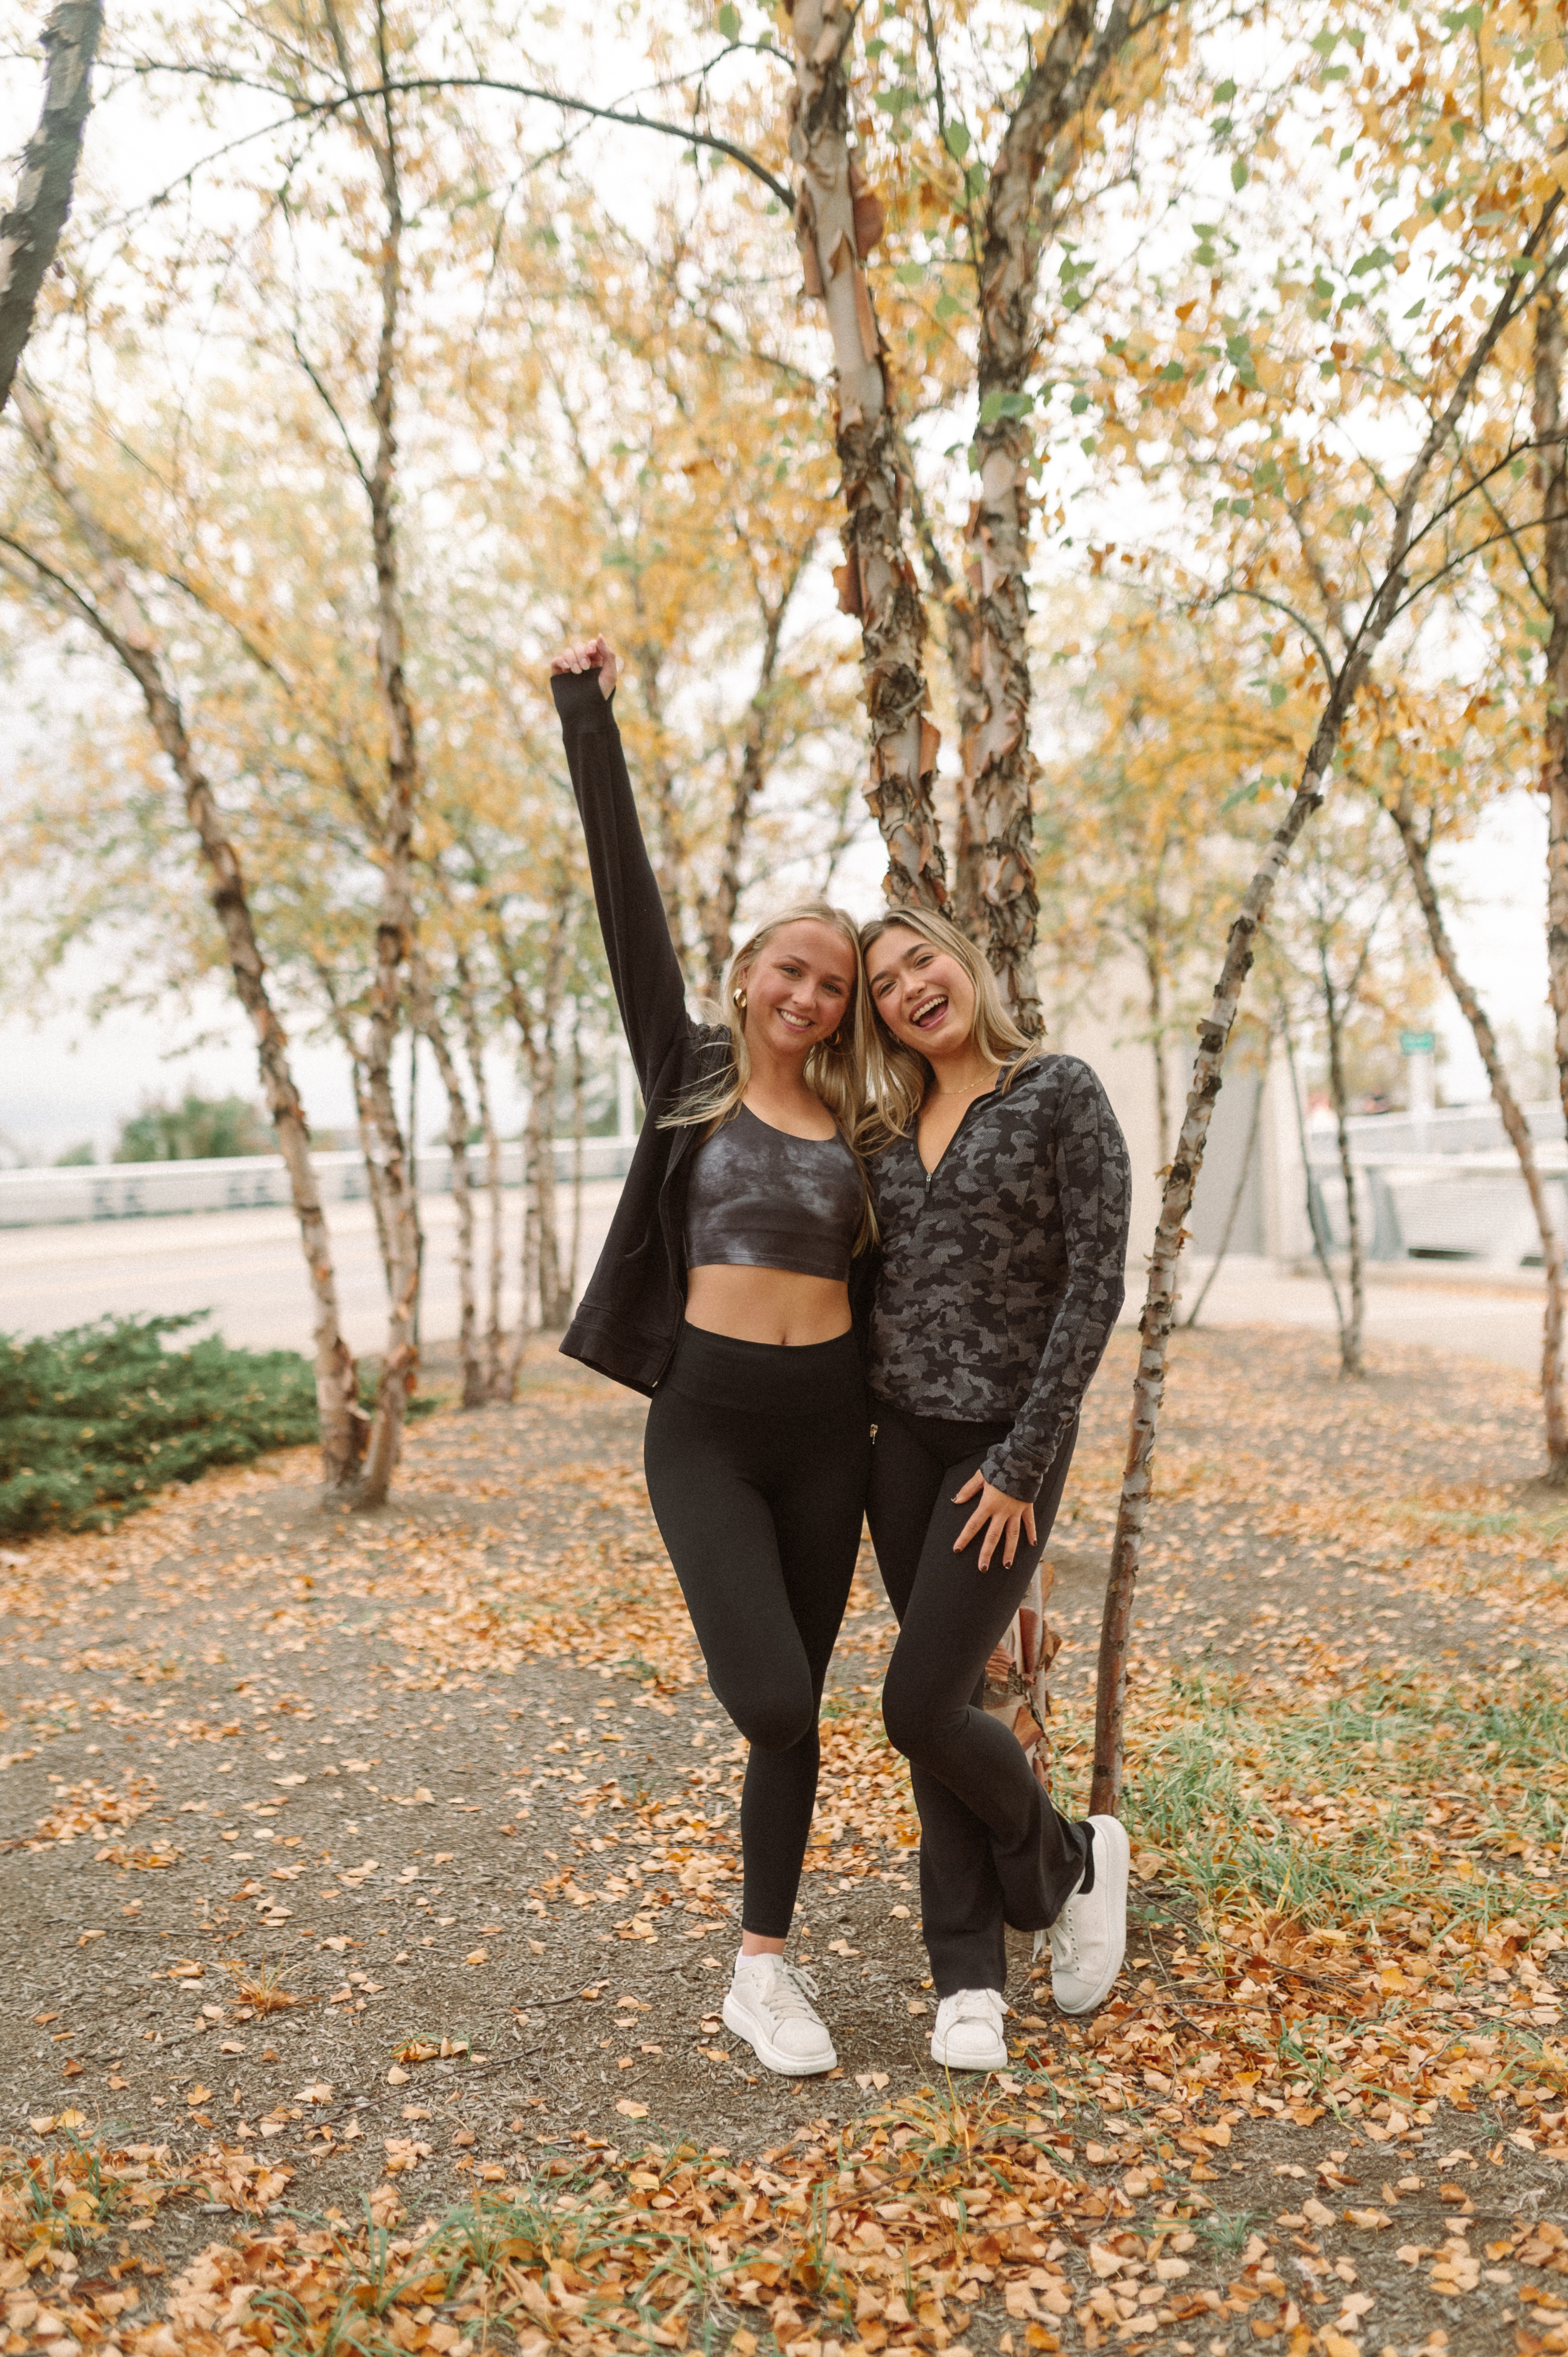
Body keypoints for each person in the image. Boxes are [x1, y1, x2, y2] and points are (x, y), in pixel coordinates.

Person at [548, 633, 873, 2079]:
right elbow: (625, 902)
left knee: (795, 1724)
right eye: (791, 973)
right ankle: (759, 1970)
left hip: (834, 1429)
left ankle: (762, 1971)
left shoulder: (866, 1129)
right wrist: (588, 718)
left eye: (833, 990)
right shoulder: (685, 1074)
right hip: (708, 1425)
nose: (809, 999)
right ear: (747, 976)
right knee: (777, 1700)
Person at [858, 905, 1133, 2071]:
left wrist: (1024, 1461)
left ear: (965, 964)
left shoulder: (1058, 1090)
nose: (911, 986)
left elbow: (1097, 1277)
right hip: (896, 1446)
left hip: (1001, 1451)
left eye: (923, 959)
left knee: (916, 1706)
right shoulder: (879, 1128)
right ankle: (967, 1985)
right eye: (884, 984)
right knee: (946, 1700)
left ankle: (1066, 1862)